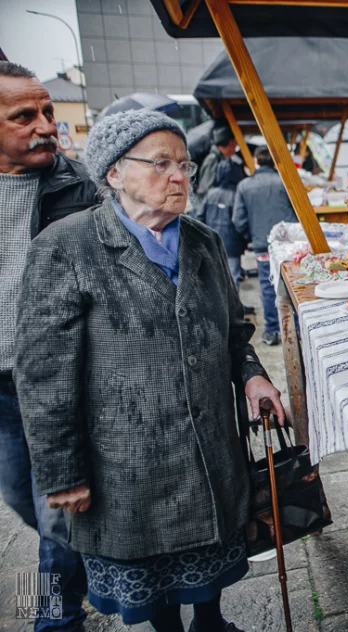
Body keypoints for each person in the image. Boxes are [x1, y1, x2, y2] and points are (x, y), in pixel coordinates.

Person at [15, 108, 285, 632]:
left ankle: (211, 622)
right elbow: (45, 373)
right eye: (161, 164)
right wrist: (61, 471)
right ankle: (49, 618)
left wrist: (251, 373)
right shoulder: (64, 245)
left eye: (184, 164)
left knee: (207, 560)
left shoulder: (202, 240)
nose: (180, 176)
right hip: (96, 435)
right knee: (54, 533)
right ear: (113, 172)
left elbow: (233, 331)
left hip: (200, 439)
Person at [0, 61, 95, 632]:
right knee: (22, 502)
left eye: (48, 112)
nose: (45, 126)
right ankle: (80, 560)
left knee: (53, 509)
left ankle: (51, 618)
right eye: (24, 116)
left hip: (57, 382)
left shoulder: (78, 187)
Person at [233, 145, 299, 346]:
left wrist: (251, 236)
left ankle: (272, 330)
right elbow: (300, 211)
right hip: (289, 243)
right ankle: (297, 328)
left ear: (256, 161)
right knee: (293, 285)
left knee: (268, 286)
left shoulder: (244, 185)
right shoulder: (286, 181)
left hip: (263, 244)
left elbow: (238, 220)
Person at [195, 158, 247, 289]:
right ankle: (232, 309)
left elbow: (199, 217)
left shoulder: (210, 194)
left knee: (214, 279)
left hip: (211, 243)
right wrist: (246, 238)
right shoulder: (237, 195)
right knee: (232, 277)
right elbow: (240, 220)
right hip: (233, 245)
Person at [196, 124, 237, 205]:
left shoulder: (220, 158)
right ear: (231, 143)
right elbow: (205, 189)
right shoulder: (213, 159)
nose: (235, 147)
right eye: (235, 143)